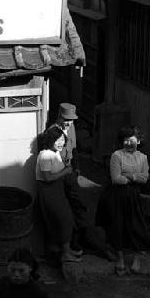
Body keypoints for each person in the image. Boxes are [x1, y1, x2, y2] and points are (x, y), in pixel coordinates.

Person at [47, 103, 115, 262]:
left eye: (71, 120)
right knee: (65, 210)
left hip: (70, 172)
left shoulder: (71, 129)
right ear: (59, 117)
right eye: (66, 120)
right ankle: (69, 242)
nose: (69, 123)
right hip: (59, 174)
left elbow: (74, 150)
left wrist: (77, 169)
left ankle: (79, 238)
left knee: (78, 205)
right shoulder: (52, 132)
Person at [95, 126, 150, 275]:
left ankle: (136, 259)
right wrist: (135, 177)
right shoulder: (116, 155)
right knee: (117, 226)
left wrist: (128, 176)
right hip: (116, 195)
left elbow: (145, 178)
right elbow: (116, 179)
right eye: (125, 140)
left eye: (131, 140)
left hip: (133, 196)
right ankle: (120, 259)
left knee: (136, 226)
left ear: (138, 141)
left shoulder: (143, 158)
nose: (128, 143)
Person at [36, 126, 81, 263]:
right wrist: (66, 171)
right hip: (49, 191)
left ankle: (66, 250)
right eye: (57, 140)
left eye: (62, 140)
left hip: (57, 190)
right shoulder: (45, 155)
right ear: (50, 141)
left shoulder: (55, 153)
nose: (61, 143)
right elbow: (47, 177)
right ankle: (64, 253)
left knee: (65, 219)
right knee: (64, 219)